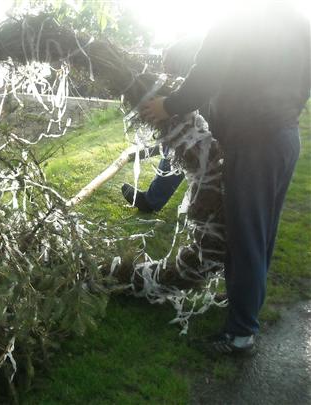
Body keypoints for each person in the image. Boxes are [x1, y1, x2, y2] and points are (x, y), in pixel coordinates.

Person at [141, 3, 310, 354]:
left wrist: (168, 105)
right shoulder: (298, 20)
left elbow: (207, 73)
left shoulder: (239, 16)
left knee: (244, 236)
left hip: (254, 140)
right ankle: (245, 311)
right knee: (260, 234)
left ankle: (240, 335)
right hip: (284, 137)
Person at [122, 35, 204, 212]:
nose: (163, 68)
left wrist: (169, 107)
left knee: (178, 146)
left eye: (166, 63)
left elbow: (191, 97)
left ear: (176, 58)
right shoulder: (191, 60)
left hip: (202, 118)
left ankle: (151, 201)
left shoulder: (191, 68)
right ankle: (152, 199)